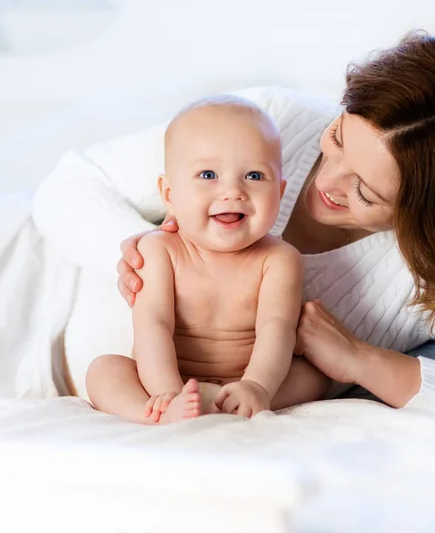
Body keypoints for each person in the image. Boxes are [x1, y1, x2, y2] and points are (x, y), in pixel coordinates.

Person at [32, 32, 435, 410]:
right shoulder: (274, 122)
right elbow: (70, 182)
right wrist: (130, 258)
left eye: (365, 190)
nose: (329, 179)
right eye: (339, 139)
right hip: (38, 314)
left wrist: (361, 361)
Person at [86, 97, 329, 423]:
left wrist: (257, 385)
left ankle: (236, 401)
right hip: (164, 379)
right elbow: (153, 326)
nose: (232, 191)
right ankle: (154, 413)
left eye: (255, 176)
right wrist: (168, 391)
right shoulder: (160, 250)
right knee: (104, 370)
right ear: (169, 195)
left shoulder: (279, 259)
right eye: (208, 174)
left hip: (244, 379)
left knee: (314, 375)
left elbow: (277, 329)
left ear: (280, 193)